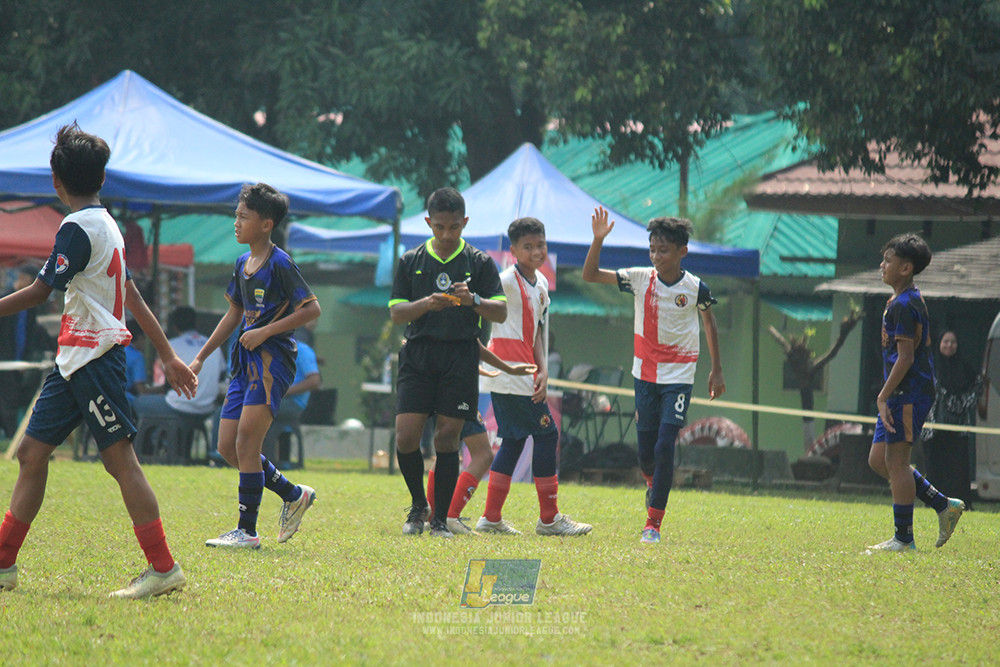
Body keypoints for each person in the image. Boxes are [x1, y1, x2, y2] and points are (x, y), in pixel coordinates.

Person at [0, 123, 198, 598]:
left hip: (94, 358)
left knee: (121, 462)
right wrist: (167, 355)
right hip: (74, 359)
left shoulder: (77, 227)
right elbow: (129, 292)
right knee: (30, 454)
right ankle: (4, 563)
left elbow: (39, 291)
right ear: (102, 178)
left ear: (55, 180)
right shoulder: (106, 224)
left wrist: (167, 354)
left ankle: (164, 568)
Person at [582, 207, 725, 545]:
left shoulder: (695, 289)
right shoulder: (638, 278)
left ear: (682, 252)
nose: (657, 256)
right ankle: (651, 481)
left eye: (664, 250)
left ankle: (653, 525)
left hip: (679, 377)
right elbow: (590, 275)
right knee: (646, 452)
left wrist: (716, 368)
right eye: (653, 249)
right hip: (644, 376)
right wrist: (598, 240)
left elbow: (709, 322)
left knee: (664, 447)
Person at [191, 183, 320, 549]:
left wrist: (265, 331)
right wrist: (202, 356)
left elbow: (312, 310)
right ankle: (293, 494)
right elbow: (233, 314)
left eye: (243, 217)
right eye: (236, 215)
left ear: (266, 224)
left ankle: (246, 531)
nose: (236, 222)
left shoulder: (280, 263)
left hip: (272, 362)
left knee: (247, 442)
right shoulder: (241, 264)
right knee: (227, 446)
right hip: (243, 363)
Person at [390, 187, 507, 538]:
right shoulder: (411, 261)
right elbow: (397, 313)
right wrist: (426, 304)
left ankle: (440, 519)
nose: (446, 234)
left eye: (454, 227)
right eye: (439, 226)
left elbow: (500, 310)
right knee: (406, 435)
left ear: (464, 223)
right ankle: (417, 505)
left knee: (447, 438)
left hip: (460, 356)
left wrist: (473, 300)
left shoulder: (480, 262)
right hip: (419, 354)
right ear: (428, 222)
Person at [476, 217, 593, 537]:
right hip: (507, 373)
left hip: (526, 372)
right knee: (546, 435)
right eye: (527, 247)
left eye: (540, 244)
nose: (536, 251)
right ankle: (549, 518)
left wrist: (543, 370)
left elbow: (539, 333)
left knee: (512, 441)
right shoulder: (503, 281)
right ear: (513, 251)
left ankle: (491, 517)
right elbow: (478, 306)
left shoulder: (540, 283)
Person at [865, 234, 965, 552]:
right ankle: (942, 504)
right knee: (879, 460)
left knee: (896, 463)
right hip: (901, 393)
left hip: (908, 393)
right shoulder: (900, 300)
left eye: (888, 260)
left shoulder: (906, 304)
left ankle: (904, 538)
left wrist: (883, 395)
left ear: (906, 268)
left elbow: (906, 357)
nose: (882, 265)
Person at [425, 344, 537, 535]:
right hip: (458, 390)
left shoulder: (435, 317)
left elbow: (455, 351)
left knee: (446, 453)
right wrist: (508, 368)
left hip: (438, 388)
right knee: (483, 455)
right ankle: (451, 515)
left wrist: (481, 371)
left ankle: (434, 517)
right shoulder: (460, 315)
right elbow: (472, 346)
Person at [132, 306, 225, 422]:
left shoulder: (170, 346)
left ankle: (159, 439)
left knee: (138, 402)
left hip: (178, 406)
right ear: (196, 323)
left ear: (175, 327)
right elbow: (221, 374)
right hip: (208, 408)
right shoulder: (213, 345)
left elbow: (164, 378)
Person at [923, 331, 982, 509]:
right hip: (933, 427)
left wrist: (963, 403)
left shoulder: (964, 366)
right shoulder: (930, 366)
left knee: (957, 467)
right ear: (939, 343)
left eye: (953, 342)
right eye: (946, 341)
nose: (949, 345)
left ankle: (960, 504)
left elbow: (979, 385)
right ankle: (934, 503)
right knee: (934, 466)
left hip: (957, 427)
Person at [0, 263, 52, 437]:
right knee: (9, 399)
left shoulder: (31, 307)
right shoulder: (5, 300)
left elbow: (30, 334)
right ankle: (13, 436)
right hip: (4, 359)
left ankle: (20, 436)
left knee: (23, 396)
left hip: (22, 360)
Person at [260, 338, 321, 467]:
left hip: (294, 403)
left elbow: (315, 381)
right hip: (277, 399)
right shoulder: (276, 349)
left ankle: (263, 462)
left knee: (258, 408)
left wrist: (284, 392)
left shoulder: (303, 351)